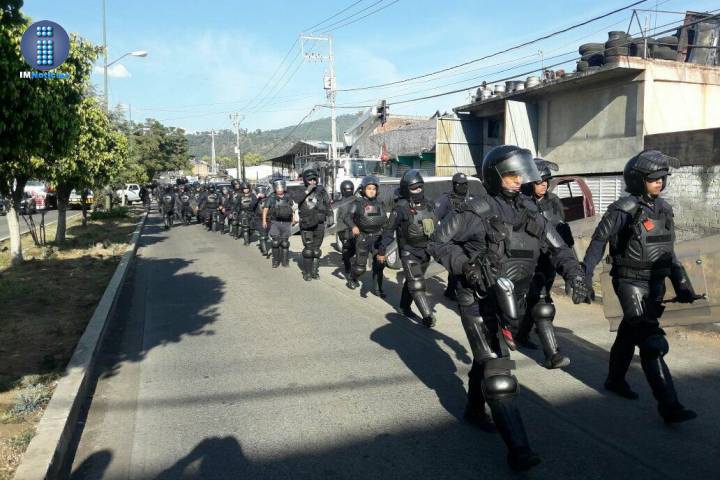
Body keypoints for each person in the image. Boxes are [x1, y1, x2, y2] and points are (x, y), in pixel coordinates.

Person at [429, 145, 590, 471]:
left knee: (485, 359)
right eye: (512, 175)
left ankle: (474, 408)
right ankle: (519, 450)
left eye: (521, 174)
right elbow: (437, 242)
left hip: (514, 300)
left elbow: (558, 247)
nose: (519, 180)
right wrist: (466, 267)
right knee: (498, 371)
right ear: (496, 176)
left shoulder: (531, 212)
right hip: (478, 301)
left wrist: (575, 274)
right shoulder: (475, 212)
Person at [582, 150, 699, 424]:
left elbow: (667, 250)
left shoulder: (664, 208)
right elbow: (599, 241)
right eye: (653, 178)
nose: (659, 182)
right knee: (650, 341)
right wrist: (584, 277)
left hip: (656, 282)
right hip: (630, 281)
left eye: (662, 178)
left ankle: (614, 379)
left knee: (628, 332)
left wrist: (681, 281)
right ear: (637, 180)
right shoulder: (623, 209)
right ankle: (669, 405)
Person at [514, 158, 573, 368]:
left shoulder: (554, 201)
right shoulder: (519, 203)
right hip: (528, 262)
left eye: (546, 181)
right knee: (542, 305)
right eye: (539, 182)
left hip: (549, 260)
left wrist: (572, 269)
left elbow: (563, 233)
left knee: (536, 301)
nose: (544, 185)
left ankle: (521, 335)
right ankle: (552, 354)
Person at [383, 169, 437, 327]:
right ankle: (427, 316)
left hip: (425, 251)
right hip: (409, 251)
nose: (418, 190)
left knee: (412, 281)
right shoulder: (400, 208)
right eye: (414, 188)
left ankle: (403, 307)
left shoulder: (429, 204)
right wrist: (382, 251)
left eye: (420, 187)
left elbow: (437, 225)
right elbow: (388, 230)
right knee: (417, 284)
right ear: (406, 189)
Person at [435, 172, 477, 300]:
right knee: (456, 265)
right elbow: (436, 217)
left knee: (469, 264)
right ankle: (454, 291)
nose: (463, 187)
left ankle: (455, 290)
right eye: (460, 184)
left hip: (469, 237)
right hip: (453, 238)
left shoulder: (472, 198)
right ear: (454, 185)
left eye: (465, 184)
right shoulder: (446, 199)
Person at [343, 176, 387, 293]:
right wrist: (353, 226)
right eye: (369, 188)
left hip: (377, 237)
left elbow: (384, 219)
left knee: (379, 264)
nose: (372, 191)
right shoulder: (357, 203)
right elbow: (347, 217)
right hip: (363, 237)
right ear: (363, 189)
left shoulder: (380, 203)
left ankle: (378, 289)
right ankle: (352, 278)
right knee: (360, 267)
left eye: (374, 189)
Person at [297, 168, 332, 281]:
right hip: (306, 224)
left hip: (320, 224)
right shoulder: (301, 190)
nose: (312, 182)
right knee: (308, 250)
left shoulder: (321, 190)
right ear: (305, 180)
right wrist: (308, 190)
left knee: (316, 250)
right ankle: (307, 272)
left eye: (314, 179)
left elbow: (328, 204)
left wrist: (330, 216)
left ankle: (314, 271)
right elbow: (297, 199)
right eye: (310, 180)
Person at [263, 179, 296, 268]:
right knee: (275, 243)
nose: (280, 189)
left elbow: (292, 209)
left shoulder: (288, 197)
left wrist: (293, 219)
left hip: (286, 222)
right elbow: (265, 209)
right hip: (275, 222)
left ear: (284, 187)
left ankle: (285, 261)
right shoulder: (271, 197)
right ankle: (276, 261)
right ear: (275, 188)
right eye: (278, 188)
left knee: (285, 243)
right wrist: (264, 221)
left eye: (281, 187)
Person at [335, 180, 356, 278]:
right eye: (347, 189)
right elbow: (339, 217)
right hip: (343, 228)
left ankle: (345, 257)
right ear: (343, 190)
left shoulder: (355, 200)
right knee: (346, 247)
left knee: (354, 248)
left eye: (350, 189)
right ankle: (347, 267)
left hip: (353, 228)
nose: (349, 191)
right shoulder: (340, 202)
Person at [235, 181, 257, 245]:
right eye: (244, 189)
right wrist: (236, 212)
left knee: (252, 229)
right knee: (245, 228)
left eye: (247, 189)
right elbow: (237, 205)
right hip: (243, 213)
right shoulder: (240, 196)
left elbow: (255, 203)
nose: (246, 190)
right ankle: (246, 241)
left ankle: (248, 236)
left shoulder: (252, 195)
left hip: (251, 213)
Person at [254, 184, 271, 257]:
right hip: (259, 219)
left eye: (263, 191)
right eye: (260, 191)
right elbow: (250, 206)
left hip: (269, 218)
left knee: (266, 235)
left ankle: (262, 245)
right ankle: (265, 251)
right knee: (262, 235)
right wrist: (256, 198)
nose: (261, 193)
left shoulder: (269, 199)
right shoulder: (255, 199)